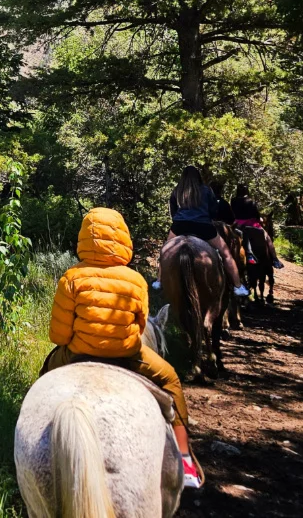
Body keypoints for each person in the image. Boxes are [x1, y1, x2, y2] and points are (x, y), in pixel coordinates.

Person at [41, 207, 202, 489]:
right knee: (171, 380)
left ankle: (33, 434)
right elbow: (140, 328)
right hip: (127, 354)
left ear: (84, 238)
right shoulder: (136, 280)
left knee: (43, 380)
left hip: (78, 352)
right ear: (123, 238)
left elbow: (58, 334)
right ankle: (185, 458)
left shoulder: (71, 278)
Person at [154, 166, 249, 298]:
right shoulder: (206, 190)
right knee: (226, 254)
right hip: (202, 226)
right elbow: (213, 210)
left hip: (180, 226)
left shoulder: (178, 190)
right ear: (198, 176)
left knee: (165, 251)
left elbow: (173, 210)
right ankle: (238, 286)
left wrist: (181, 218)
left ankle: (159, 281)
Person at [230, 183, 285, 270]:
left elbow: (232, 213)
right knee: (268, 239)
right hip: (251, 223)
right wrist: (260, 219)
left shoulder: (233, 200)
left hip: (237, 224)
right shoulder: (251, 200)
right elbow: (256, 214)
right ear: (247, 190)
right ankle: (275, 260)